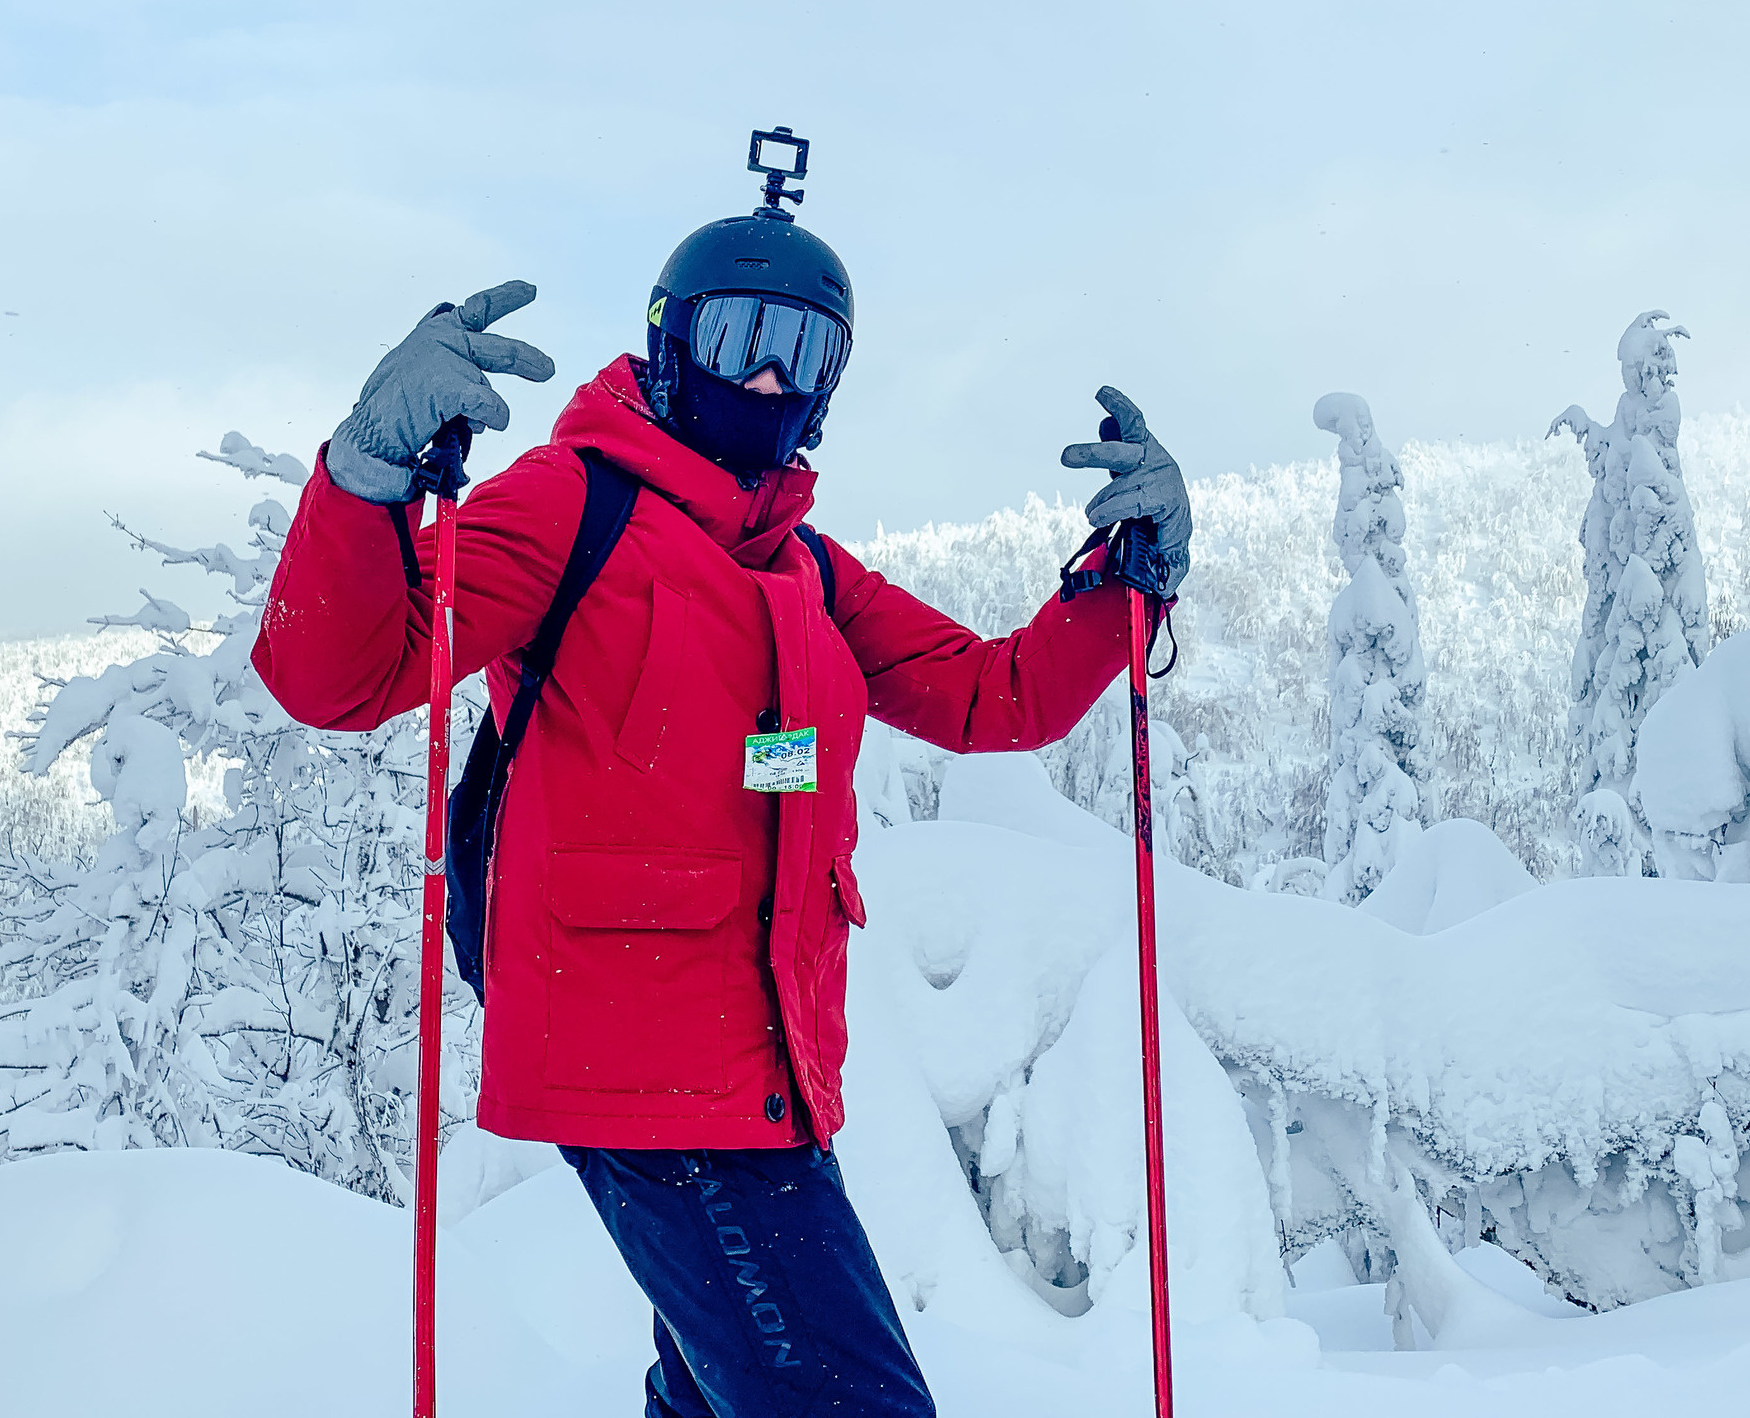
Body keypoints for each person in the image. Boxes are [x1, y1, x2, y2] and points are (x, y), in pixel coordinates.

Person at [251, 148, 1191, 1418]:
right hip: (645, 1070)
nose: (765, 375)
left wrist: (1122, 586)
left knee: (713, 1393)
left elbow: (989, 695)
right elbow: (340, 677)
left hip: (759, 1071)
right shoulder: (569, 510)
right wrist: (368, 467)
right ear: (667, 343)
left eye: (804, 354)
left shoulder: (801, 570)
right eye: (740, 334)